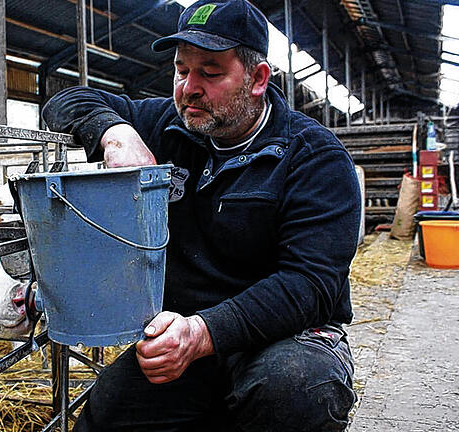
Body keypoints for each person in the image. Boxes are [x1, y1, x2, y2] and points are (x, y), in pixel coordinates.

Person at [42, 1, 361, 430]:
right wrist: (114, 134)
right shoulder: (166, 123)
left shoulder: (313, 156)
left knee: (294, 389)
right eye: (180, 69)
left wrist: (203, 332)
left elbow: (311, 285)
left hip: (287, 337)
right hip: (182, 336)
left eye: (210, 72)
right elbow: (66, 99)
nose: (189, 87)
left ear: (257, 79)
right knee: (108, 415)